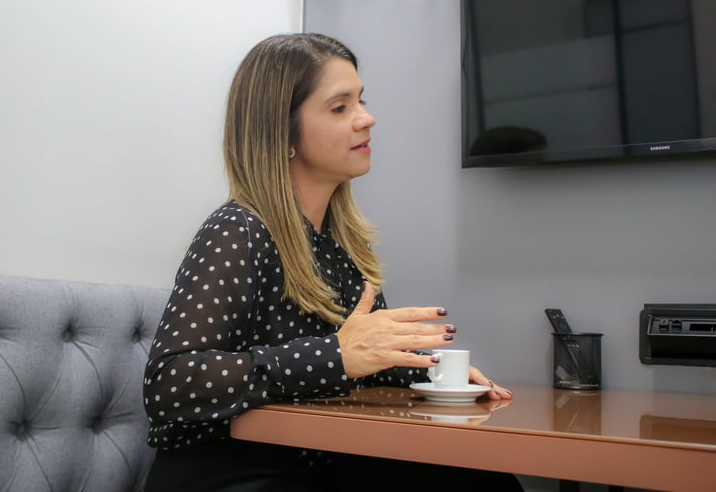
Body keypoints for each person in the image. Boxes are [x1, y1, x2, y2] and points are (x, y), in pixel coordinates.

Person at [142, 32, 522, 491]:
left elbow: (360, 360)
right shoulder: (236, 230)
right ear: (282, 132)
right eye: (340, 107)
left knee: (486, 478)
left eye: (361, 101)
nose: (367, 118)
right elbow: (169, 383)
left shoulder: (341, 246)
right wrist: (334, 355)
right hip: (230, 474)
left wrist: (433, 371)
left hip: (318, 462)